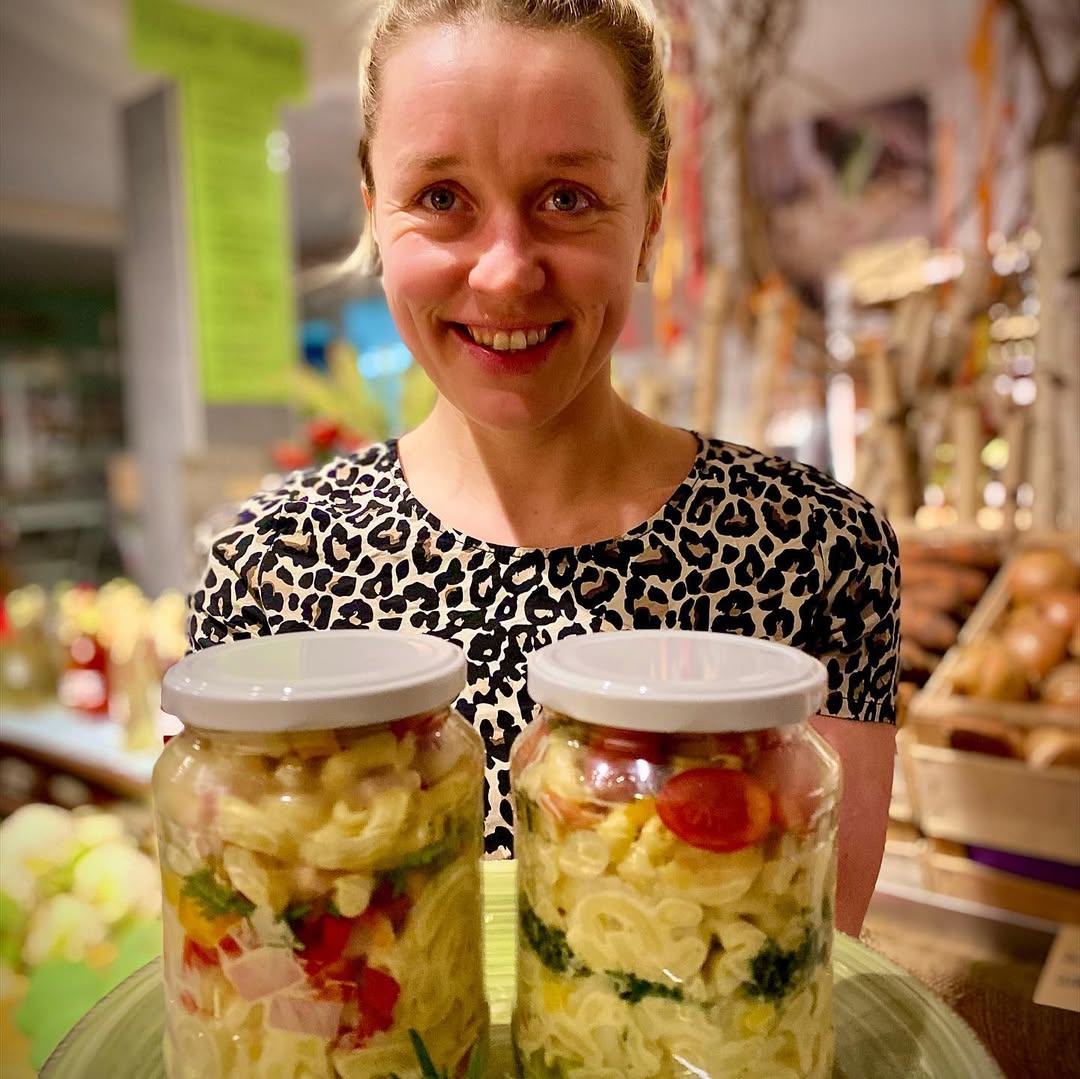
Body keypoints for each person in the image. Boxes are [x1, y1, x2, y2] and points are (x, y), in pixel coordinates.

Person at [189, 0, 899, 937]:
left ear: (648, 223)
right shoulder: (271, 565)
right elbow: (254, 962)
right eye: (440, 198)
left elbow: (804, 966)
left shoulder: (817, 551)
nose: (504, 272)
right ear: (376, 218)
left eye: (566, 198)